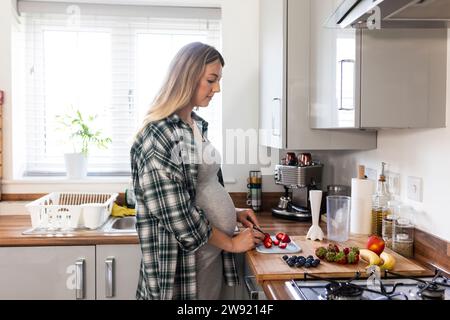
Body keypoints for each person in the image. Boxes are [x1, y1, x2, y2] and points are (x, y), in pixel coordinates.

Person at [130, 42, 265, 300]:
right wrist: (232, 243)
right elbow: (177, 215)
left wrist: (232, 213)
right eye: (211, 80)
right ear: (188, 77)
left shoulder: (193, 125)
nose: (217, 88)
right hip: (182, 268)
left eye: (218, 80)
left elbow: (200, 187)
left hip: (207, 258)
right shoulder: (158, 135)